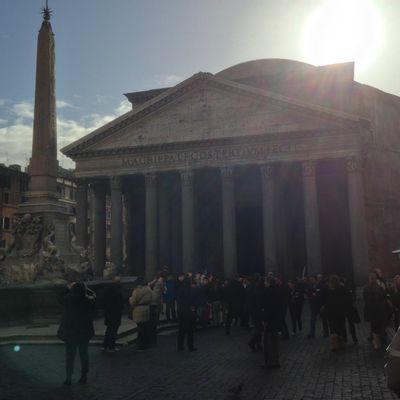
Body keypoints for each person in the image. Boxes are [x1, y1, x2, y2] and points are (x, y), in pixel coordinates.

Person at [57, 282, 95, 386]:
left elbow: (59, 297)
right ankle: (84, 376)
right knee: (84, 355)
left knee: (70, 356)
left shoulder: (67, 300)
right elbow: (94, 296)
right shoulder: (87, 300)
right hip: (84, 332)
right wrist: (87, 289)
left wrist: (68, 288)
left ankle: (68, 377)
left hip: (70, 332)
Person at [262, 276, 283, 368]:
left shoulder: (267, 292)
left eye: (265, 282)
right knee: (275, 340)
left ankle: (270, 361)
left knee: (268, 341)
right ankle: (276, 360)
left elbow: (267, 308)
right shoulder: (277, 291)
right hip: (276, 318)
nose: (264, 283)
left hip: (270, 319)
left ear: (269, 282)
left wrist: (265, 320)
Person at [364, 272, 388, 349]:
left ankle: (377, 343)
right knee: (379, 325)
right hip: (380, 309)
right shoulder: (380, 287)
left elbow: (366, 299)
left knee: (374, 327)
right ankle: (379, 340)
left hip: (372, 310)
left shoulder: (366, 288)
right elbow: (384, 296)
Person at [129, 278, 153, 350]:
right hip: (146, 309)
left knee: (140, 328)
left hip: (138, 310)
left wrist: (130, 299)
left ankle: (141, 345)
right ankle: (146, 343)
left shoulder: (137, 290)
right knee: (145, 327)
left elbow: (133, 302)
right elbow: (152, 299)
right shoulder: (149, 290)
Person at [324, 275, 347, 351]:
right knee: (340, 329)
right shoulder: (342, 290)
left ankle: (335, 345)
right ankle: (341, 344)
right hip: (339, 313)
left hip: (332, 314)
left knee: (334, 330)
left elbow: (327, 303)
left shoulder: (328, 291)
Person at [102, 276, 124, 352]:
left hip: (108, 312)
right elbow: (121, 301)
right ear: (118, 282)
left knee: (108, 329)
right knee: (114, 330)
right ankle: (111, 346)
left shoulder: (107, 289)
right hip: (116, 312)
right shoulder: (118, 290)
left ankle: (105, 346)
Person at [176, 276, 197, 351]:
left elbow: (179, 301)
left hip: (182, 312)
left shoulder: (180, 290)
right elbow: (194, 302)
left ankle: (180, 346)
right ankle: (190, 346)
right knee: (190, 331)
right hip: (189, 312)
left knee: (181, 330)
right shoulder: (192, 290)